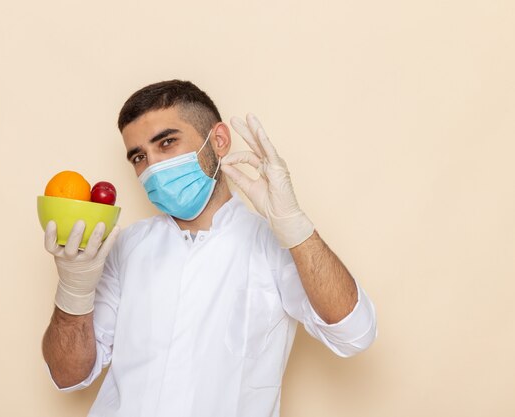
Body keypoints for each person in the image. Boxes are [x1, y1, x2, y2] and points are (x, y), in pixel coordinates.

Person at [41, 80, 377, 417]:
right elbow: (68, 375)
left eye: (167, 143)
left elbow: (355, 332)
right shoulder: (124, 247)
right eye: (139, 157)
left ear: (218, 141)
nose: (153, 167)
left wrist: (296, 228)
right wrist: (73, 291)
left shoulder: (274, 245)